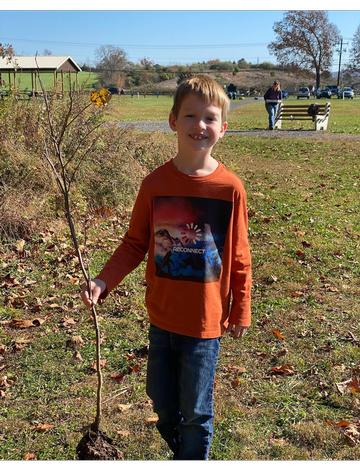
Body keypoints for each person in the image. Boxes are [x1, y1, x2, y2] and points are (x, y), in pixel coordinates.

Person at [81, 75, 252, 460]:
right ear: (173, 121)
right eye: (190, 115)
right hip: (161, 318)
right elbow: (135, 244)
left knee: (196, 413)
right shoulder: (154, 183)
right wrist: (103, 280)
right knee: (161, 404)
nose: (200, 125)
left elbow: (239, 256)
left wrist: (241, 307)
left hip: (205, 324)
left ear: (223, 128)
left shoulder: (230, 189)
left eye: (209, 118)